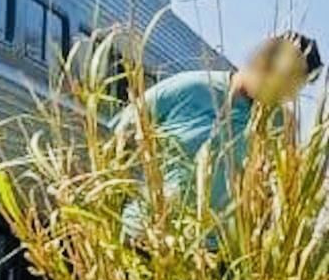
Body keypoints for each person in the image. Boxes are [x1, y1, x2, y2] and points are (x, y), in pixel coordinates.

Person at [117, 29, 322, 232]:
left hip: (214, 248)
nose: (287, 95)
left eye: (294, 88)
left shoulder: (280, 126)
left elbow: (278, 193)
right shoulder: (190, 87)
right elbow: (117, 138)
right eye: (284, 80)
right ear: (262, 61)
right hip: (144, 232)